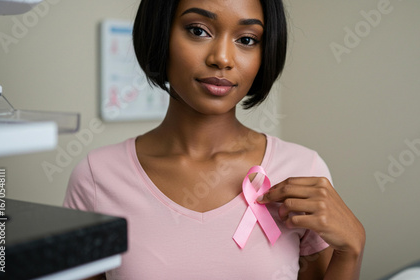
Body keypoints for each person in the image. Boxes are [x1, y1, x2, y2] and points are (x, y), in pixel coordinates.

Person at [64, 0, 366, 279]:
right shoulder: (97, 177)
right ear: (160, 34)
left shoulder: (303, 169)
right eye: (198, 31)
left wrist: (351, 250)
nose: (222, 58)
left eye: (246, 40)